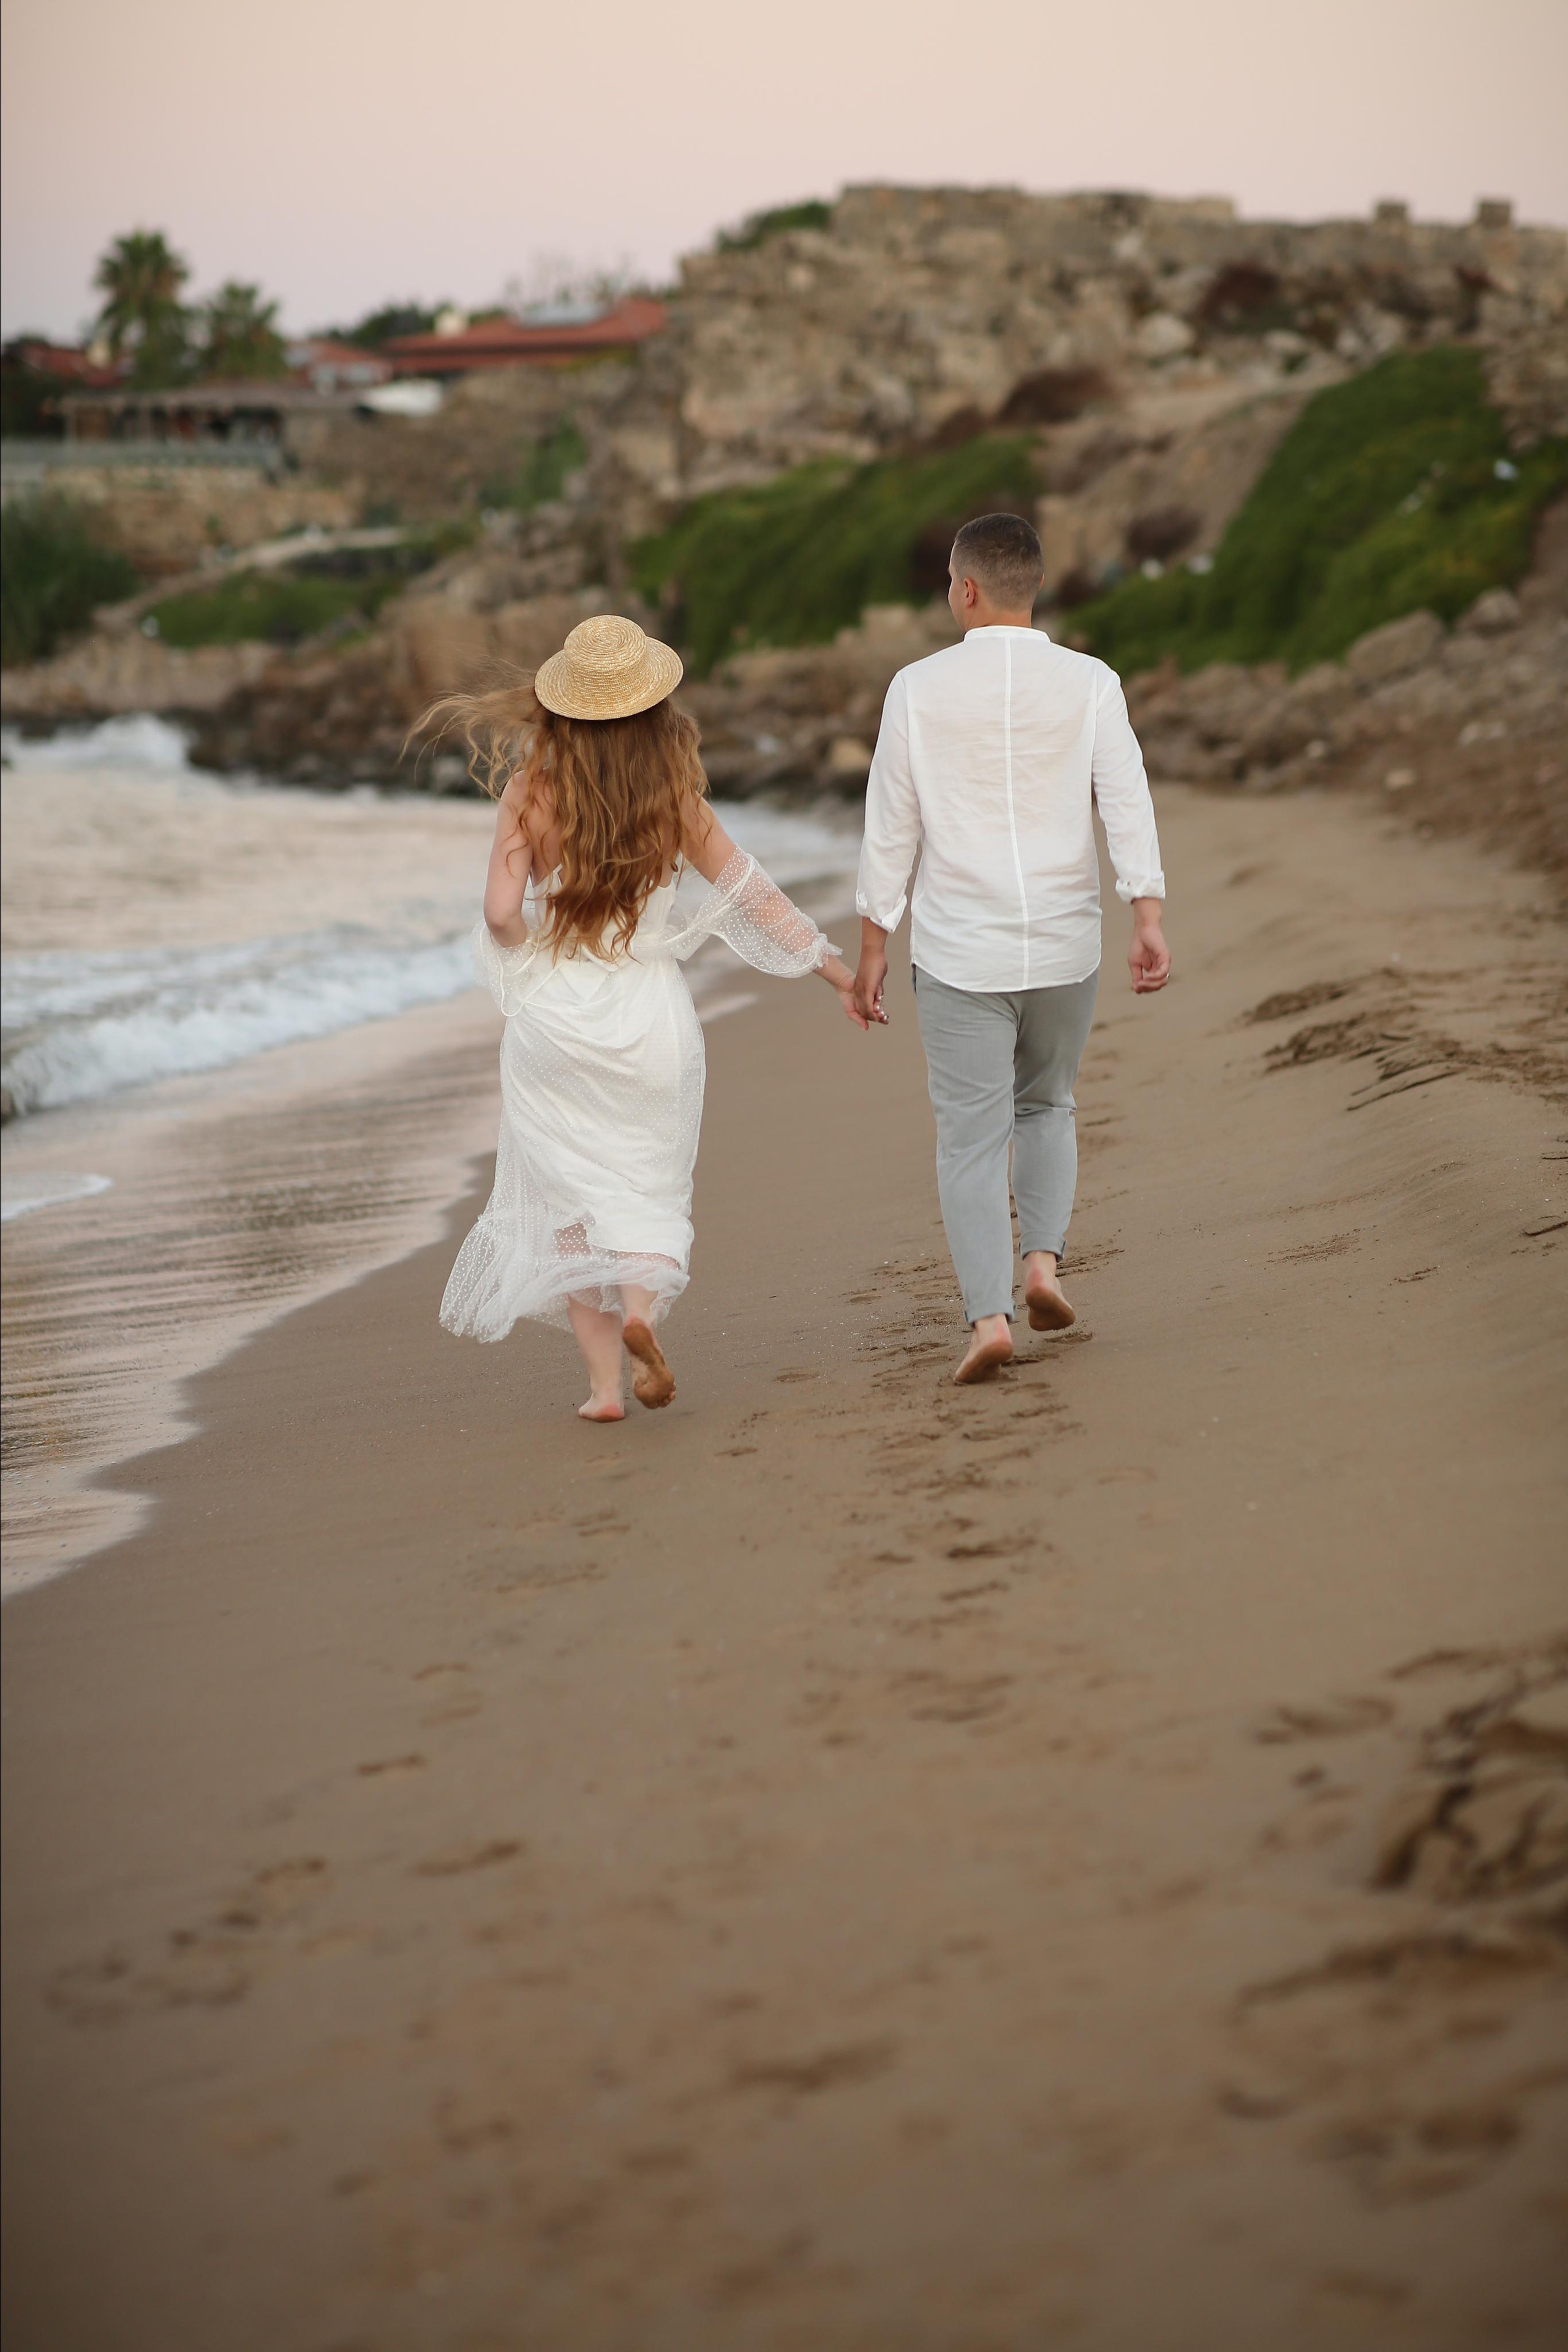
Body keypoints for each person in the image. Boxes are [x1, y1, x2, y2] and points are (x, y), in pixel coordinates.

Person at [423, 614, 876, 1422]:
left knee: (570, 1201)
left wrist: (532, 961)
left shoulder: (531, 790)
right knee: (648, 1183)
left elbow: (498, 913)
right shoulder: (675, 798)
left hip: (555, 1020)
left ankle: (602, 1390)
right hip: (648, 1016)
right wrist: (833, 970)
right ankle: (643, 1311)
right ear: (651, 707)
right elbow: (750, 896)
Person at [853, 513, 1169, 1384]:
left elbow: (892, 828)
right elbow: (1127, 800)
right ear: (1034, 585)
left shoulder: (916, 687)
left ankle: (991, 1316)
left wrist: (874, 943)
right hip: (1066, 943)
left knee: (968, 1139)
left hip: (960, 950)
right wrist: (1146, 911)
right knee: (1048, 1106)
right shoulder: (1092, 681)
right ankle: (1043, 1267)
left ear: (965, 589)